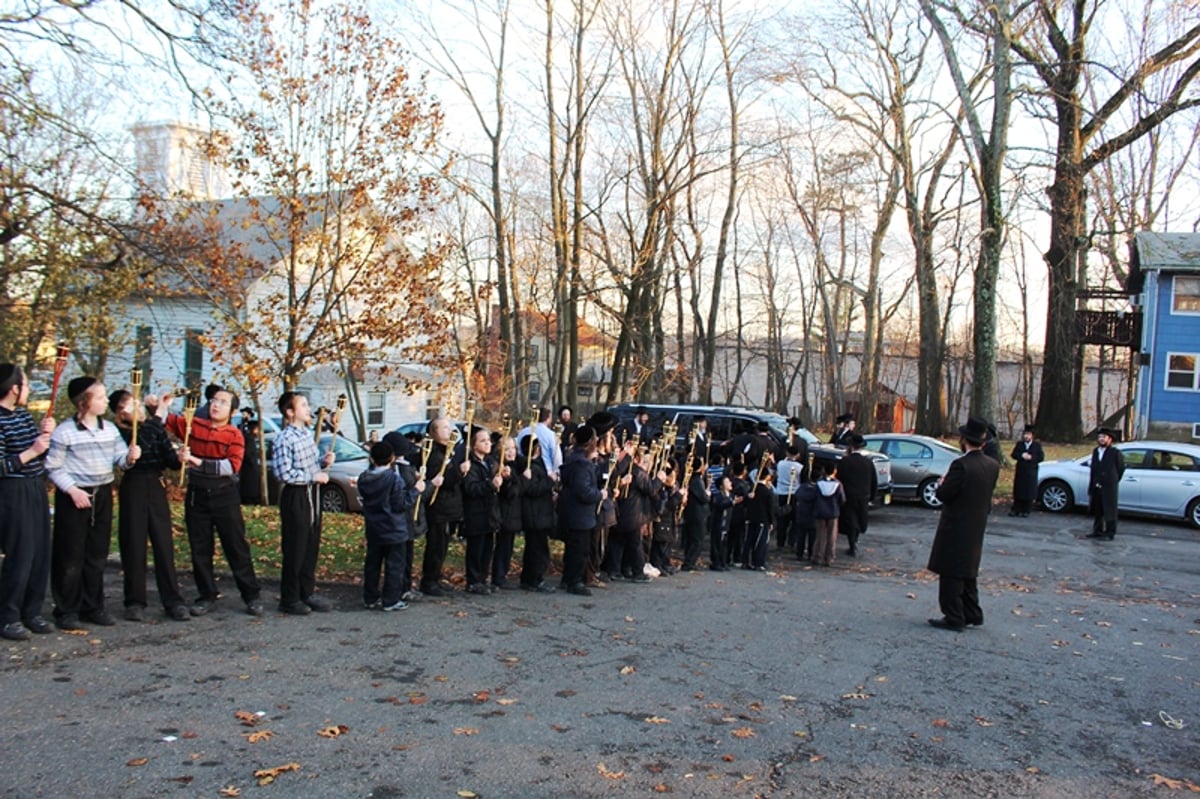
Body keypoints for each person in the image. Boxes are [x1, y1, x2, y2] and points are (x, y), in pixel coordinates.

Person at [45, 376, 140, 629]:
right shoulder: (65, 431)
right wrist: (72, 490)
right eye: (99, 397)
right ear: (83, 402)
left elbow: (119, 458)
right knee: (70, 554)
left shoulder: (108, 429)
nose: (104, 400)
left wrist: (130, 457)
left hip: (102, 493)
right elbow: (53, 467)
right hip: (75, 495)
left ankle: (93, 606)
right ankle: (66, 610)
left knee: (96, 553)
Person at [164, 386, 264, 617]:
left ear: (233, 410)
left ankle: (251, 595)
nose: (215, 405)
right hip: (197, 494)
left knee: (236, 546)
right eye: (213, 400)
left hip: (224, 494)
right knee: (200, 548)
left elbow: (231, 467)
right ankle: (206, 595)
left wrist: (197, 461)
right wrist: (162, 404)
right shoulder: (193, 425)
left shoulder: (234, 434)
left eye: (222, 402)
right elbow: (164, 421)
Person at [109, 389, 189, 622]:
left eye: (137, 403)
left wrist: (179, 458)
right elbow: (139, 451)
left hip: (155, 483)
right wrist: (159, 414)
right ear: (120, 413)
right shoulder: (121, 432)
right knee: (133, 542)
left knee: (163, 543)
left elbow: (167, 458)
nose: (138, 408)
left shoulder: (153, 427)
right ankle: (134, 600)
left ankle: (172, 599)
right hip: (133, 484)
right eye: (130, 405)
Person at [926, 416, 1001, 631]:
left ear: (964, 439)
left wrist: (942, 484)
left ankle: (954, 616)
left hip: (956, 524)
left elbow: (945, 494)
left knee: (951, 572)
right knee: (968, 570)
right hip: (977, 523)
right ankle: (972, 612)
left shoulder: (961, 465)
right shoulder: (992, 465)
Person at [0, 364, 56, 641]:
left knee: (39, 551)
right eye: (25, 384)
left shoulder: (22, 415)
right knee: (20, 553)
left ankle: (31, 611)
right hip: (12, 490)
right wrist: (31, 450)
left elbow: (41, 456)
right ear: (14, 389)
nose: (29, 389)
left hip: (35, 487)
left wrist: (45, 437)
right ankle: (8, 616)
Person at [270, 391, 336, 615]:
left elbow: (309, 465)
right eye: (303, 405)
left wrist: (322, 462)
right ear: (290, 412)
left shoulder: (306, 435)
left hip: (313, 495)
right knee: (296, 547)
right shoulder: (284, 438)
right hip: (296, 496)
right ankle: (289, 598)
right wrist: (312, 476)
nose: (308, 409)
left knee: (310, 546)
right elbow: (284, 473)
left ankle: (305, 592)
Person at [358, 440, 422, 611]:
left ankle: (370, 596)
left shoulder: (364, 478)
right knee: (394, 565)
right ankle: (391, 599)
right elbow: (401, 503)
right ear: (392, 458)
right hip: (394, 528)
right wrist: (416, 490)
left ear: (372, 459)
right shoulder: (394, 479)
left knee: (372, 564)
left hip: (374, 527)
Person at [419, 417, 467, 597]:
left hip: (449, 506)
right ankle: (429, 580)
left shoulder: (449, 451)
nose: (448, 431)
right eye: (443, 428)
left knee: (442, 546)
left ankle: (436, 577)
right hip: (438, 507)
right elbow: (442, 481)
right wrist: (459, 472)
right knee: (435, 545)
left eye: (449, 428)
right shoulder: (432, 454)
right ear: (433, 433)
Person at [558, 424, 606, 596]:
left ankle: (568, 578)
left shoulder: (572, 458)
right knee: (580, 550)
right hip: (580, 514)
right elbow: (584, 491)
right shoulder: (581, 464)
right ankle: (575, 581)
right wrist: (599, 494)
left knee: (573, 548)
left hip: (571, 512)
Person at [460, 426, 502, 594]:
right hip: (476, 512)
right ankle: (473, 580)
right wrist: (489, 484)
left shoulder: (490, 462)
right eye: (483, 441)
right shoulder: (470, 464)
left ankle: (483, 578)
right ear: (474, 445)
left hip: (490, 511)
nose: (487, 444)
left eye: (488, 440)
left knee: (487, 548)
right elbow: (470, 488)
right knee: (476, 549)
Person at [517, 435, 556, 593]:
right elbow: (532, 489)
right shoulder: (528, 466)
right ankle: (534, 579)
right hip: (535, 514)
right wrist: (549, 481)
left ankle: (529, 578)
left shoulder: (536, 464)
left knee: (536, 547)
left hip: (541, 512)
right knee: (537, 549)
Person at [837, 434, 876, 556]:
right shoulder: (868, 462)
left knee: (851, 520)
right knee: (860, 519)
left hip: (849, 495)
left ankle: (852, 544)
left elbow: (840, 479)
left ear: (851, 447)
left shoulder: (844, 462)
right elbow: (873, 481)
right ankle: (855, 542)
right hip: (863, 495)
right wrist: (872, 496)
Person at [493, 436, 523, 590]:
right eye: (507, 449)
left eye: (513, 449)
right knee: (502, 545)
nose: (511, 452)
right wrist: (509, 479)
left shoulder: (515, 465)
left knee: (508, 544)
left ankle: (502, 574)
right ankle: (498, 575)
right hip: (504, 511)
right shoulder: (500, 467)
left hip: (513, 512)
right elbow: (508, 492)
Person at [1086, 427, 1126, 541]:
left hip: (1109, 487)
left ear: (1110, 439)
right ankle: (1097, 530)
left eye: (1104, 437)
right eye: (1100, 437)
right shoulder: (1096, 451)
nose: (1101, 439)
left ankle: (1110, 532)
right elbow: (1094, 469)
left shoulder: (1115, 453)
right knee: (1098, 509)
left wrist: (1112, 480)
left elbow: (1120, 468)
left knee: (1110, 510)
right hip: (1096, 485)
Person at [679, 454, 710, 572]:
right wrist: (707, 495)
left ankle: (689, 561)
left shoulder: (693, 478)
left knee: (693, 538)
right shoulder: (696, 480)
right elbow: (703, 497)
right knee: (697, 539)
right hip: (697, 514)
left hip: (693, 513)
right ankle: (689, 562)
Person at [811, 462, 844, 567]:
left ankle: (817, 556)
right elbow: (842, 499)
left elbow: (813, 496)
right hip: (833, 512)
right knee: (831, 536)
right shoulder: (838, 484)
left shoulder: (818, 483)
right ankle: (829, 558)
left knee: (820, 535)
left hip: (820, 512)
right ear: (835, 471)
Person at [1009, 424, 1044, 517]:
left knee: (1029, 491)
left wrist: (1031, 457)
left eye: (1028, 434)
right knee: (1019, 490)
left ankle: (1026, 509)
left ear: (1032, 435)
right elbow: (1013, 454)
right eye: (1025, 434)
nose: (1026, 436)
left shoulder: (1036, 445)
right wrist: (1021, 455)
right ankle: (1016, 508)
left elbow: (1041, 457)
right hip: (1021, 471)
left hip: (1031, 471)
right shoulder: (1019, 444)